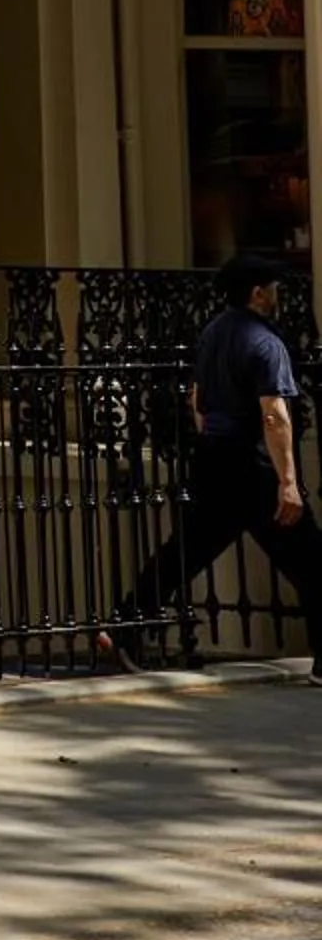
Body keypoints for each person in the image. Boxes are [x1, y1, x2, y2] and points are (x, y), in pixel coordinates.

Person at [110, 254, 322, 678]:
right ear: (258, 293)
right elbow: (274, 415)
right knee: (312, 561)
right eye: (274, 287)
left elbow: (198, 400)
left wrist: (212, 438)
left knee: (185, 552)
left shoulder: (211, 334)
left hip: (214, 459)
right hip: (255, 465)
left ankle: (125, 626)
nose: (279, 294)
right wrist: (288, 481)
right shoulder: (266, 343)